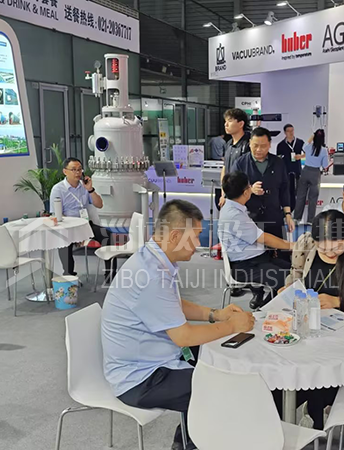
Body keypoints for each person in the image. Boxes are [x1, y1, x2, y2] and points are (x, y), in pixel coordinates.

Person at [101, 199, 255, 450]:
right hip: (140, 379)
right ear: (174, 236)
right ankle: (189, 443)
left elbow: (173, 305)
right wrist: (233, 326)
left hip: (155, 358)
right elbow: (183, 337)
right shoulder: (150, 275)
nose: (198, 243)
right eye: (194, 237)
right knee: (221, 386)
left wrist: (216, 315)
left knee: (223, 355)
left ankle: (187, 439)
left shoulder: (154, 260)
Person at [277, 209, 344, 429]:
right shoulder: (305, 244)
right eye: (323, 248)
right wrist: (288, 289)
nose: (330, 253)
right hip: (308, 324)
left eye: (337, 247)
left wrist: (339, 301)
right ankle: (287, 418)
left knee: (321, 379)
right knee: (283, 372)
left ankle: (316, 417)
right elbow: (296, 274)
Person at [219, 171, 294, 309]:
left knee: (294, 273)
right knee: (287, 280)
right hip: (245, 266)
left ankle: (266, 308)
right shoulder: (234, 215)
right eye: (249, 186)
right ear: (245, 192)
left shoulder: (233, 207)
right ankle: (264, 311)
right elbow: (263, 238)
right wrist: (292, 245)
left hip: (257, 260)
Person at [50, 157, 115, 283]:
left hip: (86, 226)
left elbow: (99, 204)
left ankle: (110, 274)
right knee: (63, 240)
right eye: (73, 169)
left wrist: (90, 189)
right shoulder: (58, 189)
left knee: (107, 235)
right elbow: (56, 215)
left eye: (79, 169)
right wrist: (76, 233)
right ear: (65, 171)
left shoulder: (84, 187)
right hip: (68, 227)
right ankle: (69, 275)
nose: (77, 173)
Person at [233, 127, 295, 248]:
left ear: (270, 144)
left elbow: (284, 190)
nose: (259, 150)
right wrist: (250, 190)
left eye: (263, 146)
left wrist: (288, 214)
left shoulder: (278, 163)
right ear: (250, 143)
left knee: (279, 251)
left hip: (274, 217)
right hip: (249, 219)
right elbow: (233, 192)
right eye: (255, 145)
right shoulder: (240, 163)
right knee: (254, 253)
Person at [293, 129, 330, 223]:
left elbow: (305, 145)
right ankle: (310, 220)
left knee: (300, 196)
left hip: (305, 171)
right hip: (315, 174)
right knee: (313, 198)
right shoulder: (324, 150)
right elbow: (325, 165)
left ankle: (296, 218)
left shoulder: (308, 147)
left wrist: (312, 136)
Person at [219, 108, 251, 207]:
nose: (226, 124)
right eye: (225, 121)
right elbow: (224, 168)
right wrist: (223, 193)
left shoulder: (248, 144)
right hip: (229, 195)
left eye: (229, 121)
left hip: (243, 196)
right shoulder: (228, 144)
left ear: (241, 124)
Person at [276, 124, 305, 208]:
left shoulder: (300, 142)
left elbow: (308, 154)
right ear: (285, 132)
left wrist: (301, 156)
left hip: (297, 170)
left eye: (292, 130)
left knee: (298, 192)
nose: (291, 133)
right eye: (288, 131)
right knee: (287, 192)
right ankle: (289, 209)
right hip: (286, 171)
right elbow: (278, 158)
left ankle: (297, 210)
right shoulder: (281, 145)